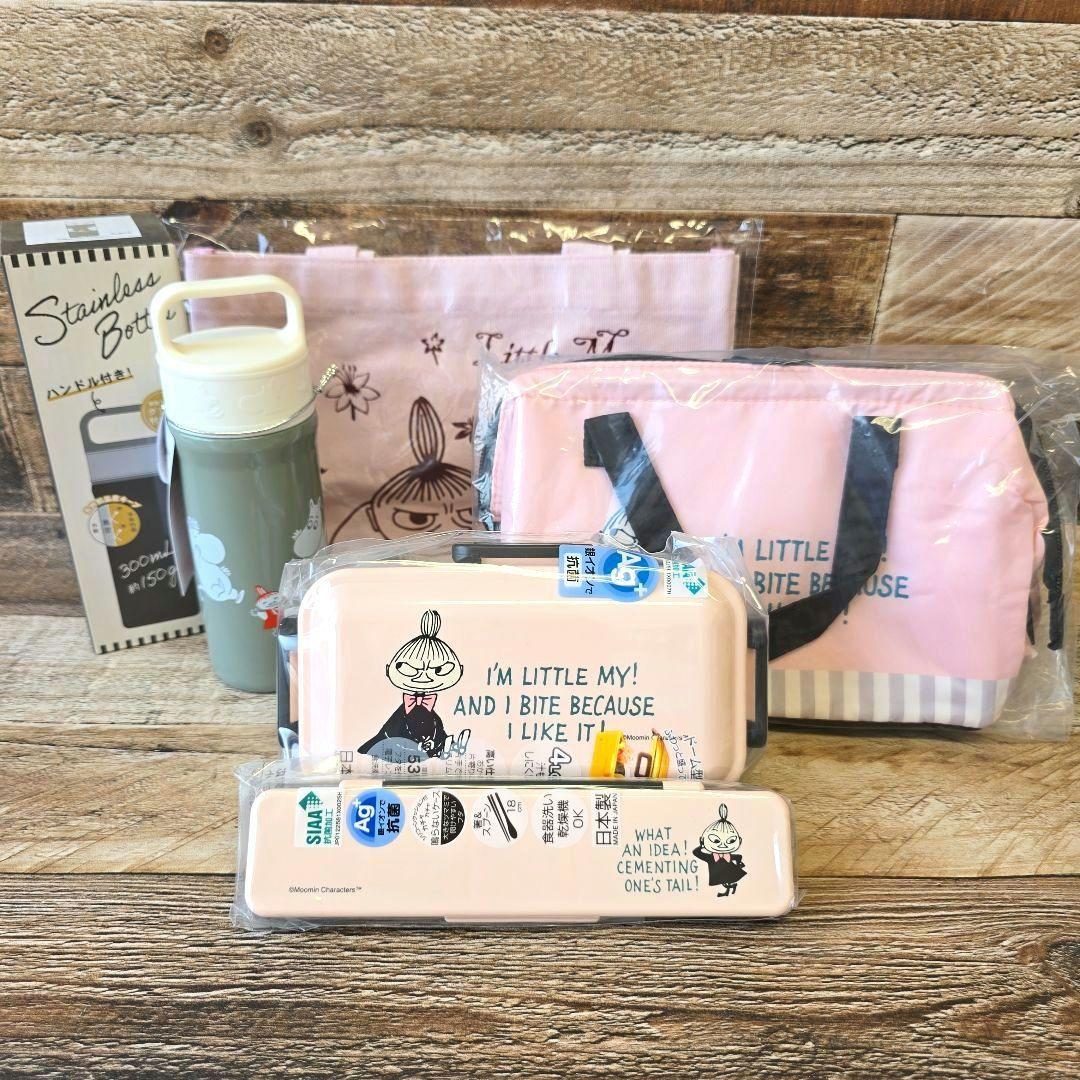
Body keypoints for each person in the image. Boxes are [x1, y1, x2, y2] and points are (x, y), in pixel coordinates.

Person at [359, 610, 464, 758]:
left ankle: (440, 748)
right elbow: (391, 734)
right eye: (410, 669)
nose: (424, 676)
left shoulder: (431, 714)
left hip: (427, 743)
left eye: (439, 670)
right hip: (399, 748)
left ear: (460, 670)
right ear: (388, 670)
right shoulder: (398, 719)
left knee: (436, 732)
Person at [693, 804, 747, 897]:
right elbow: (696, 853)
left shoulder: (726, 856)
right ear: (703, 840)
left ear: (739, 841)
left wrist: (739, 864)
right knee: (725, 882)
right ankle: (731, 887)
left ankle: (729, 889)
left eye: (731, 841)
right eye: (716, 840)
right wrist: (701, 846)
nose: (723, 845)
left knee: (726, 881)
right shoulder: (711, 858)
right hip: (720, 874)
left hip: (727, 872)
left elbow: (739, 857)